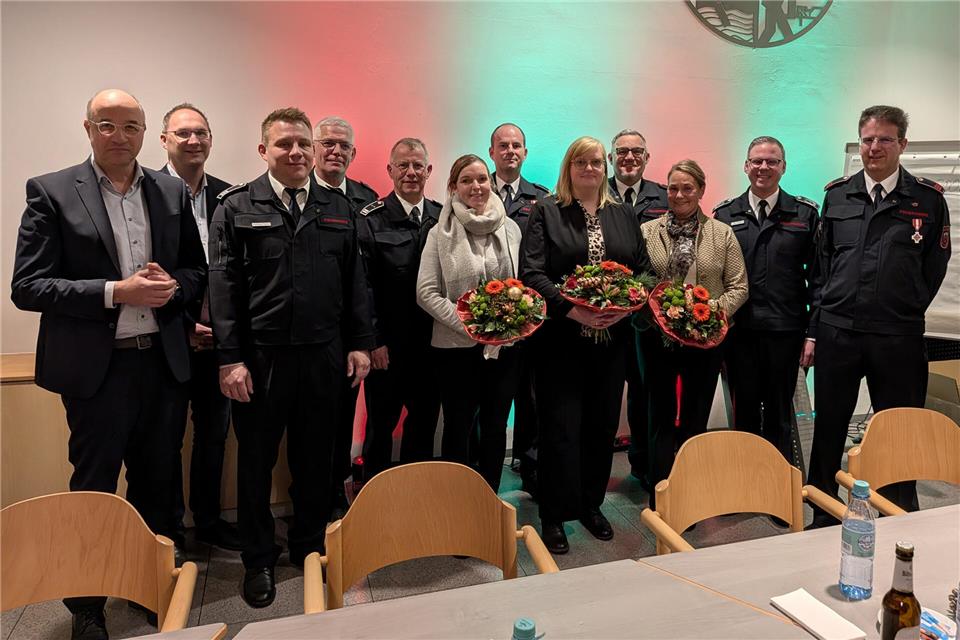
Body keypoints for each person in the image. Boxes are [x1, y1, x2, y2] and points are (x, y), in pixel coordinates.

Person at [11, 89, 206, 640]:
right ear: (88, 128)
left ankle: (151, 587)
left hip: (161, 366)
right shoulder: (51, 190)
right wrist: (115, 291)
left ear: (147, 132)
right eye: (107, 125)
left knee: (159, 483)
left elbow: (196, 271)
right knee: (94, 488)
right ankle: (87, 604)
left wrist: (174, 289)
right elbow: (27, 286)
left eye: (131, 126)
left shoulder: (170, 191)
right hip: (98, 373)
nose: (119, 136)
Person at [208, 107, 373, 608]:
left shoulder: (338, 206)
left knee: (316, 461)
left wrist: (361, 342)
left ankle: (307, 547)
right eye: (285, 144)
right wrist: (229, 358)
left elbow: (355, 282)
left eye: (304, 143)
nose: (297, 152)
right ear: (264, 151)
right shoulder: (235, 207)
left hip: (323, 356)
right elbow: (224, 287)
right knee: (256, 463)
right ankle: (258, 559)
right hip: (260, 360)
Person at [806, 105, 951, 527]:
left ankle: (899, 511)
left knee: (897, 428)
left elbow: (935, 265)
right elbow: (823, 266)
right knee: (830, 423)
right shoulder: (837, 194)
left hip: (897, 336)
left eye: (885, 139)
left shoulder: (927, 199)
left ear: (902, 144)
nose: (875, 147)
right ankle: (821, 511)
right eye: (868, 139)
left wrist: (904, 307)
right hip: (839, 333)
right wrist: (819, 324)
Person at [520, 137, 652, 555]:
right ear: (569, 166)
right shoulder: (546, 211)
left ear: (605, 167)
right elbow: (532, 273)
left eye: (597, 161)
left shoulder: (623, 214)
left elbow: (643, 270)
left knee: (600, 426)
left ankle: (591, 505)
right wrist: (573, 311)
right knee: (560, 429)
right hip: (560, 342)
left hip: (610, 343)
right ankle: (554, 514)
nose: (590, 168)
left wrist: (625, 307)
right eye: (581, 161)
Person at [640, 159, 748, 507]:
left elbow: (738, 287)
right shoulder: (647, 231)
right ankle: (660, 492)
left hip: (706, 339)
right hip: (658, 338)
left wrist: (707, 316)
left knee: (695, 415)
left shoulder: (722, 233)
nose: (680, 194)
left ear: (701, 190)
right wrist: (663, 315)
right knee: (659, 415)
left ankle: (690, 490)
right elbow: (641, 281)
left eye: (688, 188)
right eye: (673, 188)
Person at [159, 103, 241, 551]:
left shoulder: (229, 197)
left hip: (221, 342)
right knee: (166, 439)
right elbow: (146, 270)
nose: (194, 141)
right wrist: (186, 325)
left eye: (202, 133)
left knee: (213, 435)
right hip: (168, 339)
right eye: (183, 133)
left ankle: (208, 523)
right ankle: (171, 533)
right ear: (164, 140)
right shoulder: (147, 192)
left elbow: (235, 273)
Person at [416, 154, 522, 492]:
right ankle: (456, 502)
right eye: (466, 181)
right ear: (453, 187)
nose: (475, 187)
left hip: (504, 350)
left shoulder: (511, 229)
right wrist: (474, 326)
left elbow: (518, 286)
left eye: (481, 179)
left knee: (494, 426)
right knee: (458, 427)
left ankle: (488, 498)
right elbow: (426, 293)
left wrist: (504, 327)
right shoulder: (439, 232)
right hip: (455, 350)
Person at [714, 136, 818, 469]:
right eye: (757, 161)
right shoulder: (725, 214)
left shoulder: (804, 213)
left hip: (785, 330)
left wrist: (812, 334)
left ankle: (777, 484)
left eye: (772, 161)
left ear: (783, 168)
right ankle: (746, 482)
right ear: (746, 166)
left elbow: (819, 279)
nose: (763, 167)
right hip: (739, 331)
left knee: (778, 413)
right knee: (743, 411)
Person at [358, 138, 442, 480]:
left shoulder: (443, 217)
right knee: (380, 427)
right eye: (403, 165)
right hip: (388, 348)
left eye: (418, 166)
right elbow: (362, 287)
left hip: (432, 347)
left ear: (428, 171)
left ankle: (414, 494)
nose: (411, 173)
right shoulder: (370, 219)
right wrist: (373, 340)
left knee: (423, 426)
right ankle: (373, 499)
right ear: (390, 170)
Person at [311, 116, 378, 519]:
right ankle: (311, 499)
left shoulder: (366, 200)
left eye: (344, 146)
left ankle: (337, 490)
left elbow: (370, 275)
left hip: (349, 334)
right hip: (309, 331)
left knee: (341, 418)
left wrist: (366, 338)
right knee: (310, 426)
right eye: (328, 143)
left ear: (353, 154)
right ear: (315, 148)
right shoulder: (299, 195)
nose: (336, 151)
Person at [488, 122, 550, 497]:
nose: (510, 150)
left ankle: (531, 469)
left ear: (525, 153)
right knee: (489, 404)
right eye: (503, 145)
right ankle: (484, 473)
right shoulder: (476, 189)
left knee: (531, 398)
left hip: (531, 318)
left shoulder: (540, 199)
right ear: (491, 151)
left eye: (517, 145)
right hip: (489, 320)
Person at [607, 129, 670, 489]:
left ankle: (645, 464)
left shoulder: (663, 196)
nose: (629, 158)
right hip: (605, 314)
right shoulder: (597, 193)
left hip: (648, 317)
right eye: (622, 152)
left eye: (636, 152)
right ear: (612, 157)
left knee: (647, 390)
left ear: (647, 157)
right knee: (606, 390)